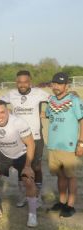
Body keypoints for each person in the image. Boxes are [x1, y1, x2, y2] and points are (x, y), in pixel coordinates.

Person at [0, 100, 38, 227]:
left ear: (8, 111)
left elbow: (31, 144)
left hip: (22, 154)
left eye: (2, 112)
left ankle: (32, 214)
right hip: (4, 154)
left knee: (28, 180)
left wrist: (28, 166)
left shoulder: (18, 122)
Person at [0, 70, 50, 208]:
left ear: (30, 82)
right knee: (21, 166)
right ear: (16, 82)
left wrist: (48, 113)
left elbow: (55, 100)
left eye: (25, 82)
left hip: (35, 136)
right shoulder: (11, 94)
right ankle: (23, 195)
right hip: (19, 137)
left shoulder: (39, 93)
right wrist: (7, 112)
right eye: (19, 82)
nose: (22, 84)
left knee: (36, 167)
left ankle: (37, 195)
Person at [45, 72, 83, 218]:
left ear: (66, 86)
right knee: (60, 176)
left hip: (69, 146)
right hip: (54, 145)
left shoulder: (74, 100)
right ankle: (61, 202)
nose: (56, 86)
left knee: (71, 176)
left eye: (60, 84)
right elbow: (48, 115)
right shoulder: (51, 100)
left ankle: (70, 205)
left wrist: (81, 143)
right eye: (54, 83)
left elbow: (82, 121)